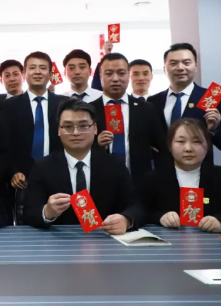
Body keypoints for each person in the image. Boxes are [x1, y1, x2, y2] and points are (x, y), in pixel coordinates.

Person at [24, 99, 145, 233]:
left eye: (83, 126)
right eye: (68, 126)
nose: (76, 133)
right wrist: (47, 212)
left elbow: (136, 207)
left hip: (104, 238)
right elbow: (28, 213)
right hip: (58, 239)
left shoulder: (115, 166)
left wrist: (126, 220)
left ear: (95, 129)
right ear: (59, 130)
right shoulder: (42, 167)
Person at [143, 118, 221, 233]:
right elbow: (142, 212)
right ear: (170, 146)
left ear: (208, 145)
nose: (188, 149)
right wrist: (160, 217)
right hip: (169, 241)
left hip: (213, 241)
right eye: (181, 141)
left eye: (196, 142)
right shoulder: (153, 179)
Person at [90, 53, 167, 187]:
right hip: (100, 183)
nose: (115, 79)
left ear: (128, 76)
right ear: (101, 76)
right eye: (109, 73)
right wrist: (96, 144)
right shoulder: (89, 110)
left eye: (121, 73)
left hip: (140, 183)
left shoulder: (146, 109)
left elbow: (161, 147)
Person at [148, 43, 221, 152]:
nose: (180, 68)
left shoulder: (211, 97)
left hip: (199, 162)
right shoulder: (153, 101)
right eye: (173, 63)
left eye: (186, 63)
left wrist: (213, 129)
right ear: (164, 69)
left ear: (196, 67)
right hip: (163, 162)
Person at [3, 52, 68, 190]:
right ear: (24, 73)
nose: (37, 72)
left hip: (59, 173)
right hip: (22, 178)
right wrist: (13, 171)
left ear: (50, 74)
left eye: (43, 68)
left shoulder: (65, 104)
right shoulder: (8, 106)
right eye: (32, 68)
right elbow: (5, 144)